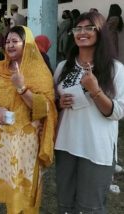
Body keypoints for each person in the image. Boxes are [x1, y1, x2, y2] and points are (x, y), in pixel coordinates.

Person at [0, 25, 57, 213]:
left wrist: (22, 89)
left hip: (26, 142)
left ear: (27, 43)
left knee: (25, 187)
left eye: (15, 41)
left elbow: (46, 107)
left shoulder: (38, 71)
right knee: (9, 184)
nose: (10, 45)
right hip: (2, 141)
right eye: (7, 42)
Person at [54, 12, 124, 213]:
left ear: (100, 32)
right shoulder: (62, 67)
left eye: (89, 28)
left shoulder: (115, 69)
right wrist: (59, 103)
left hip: (96, 148)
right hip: (65, 144)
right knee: (65, 204)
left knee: (90, 207)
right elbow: (52, 103)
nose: (82, 32)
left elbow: (117, 112)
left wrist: (95, 90)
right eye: (78, 28)